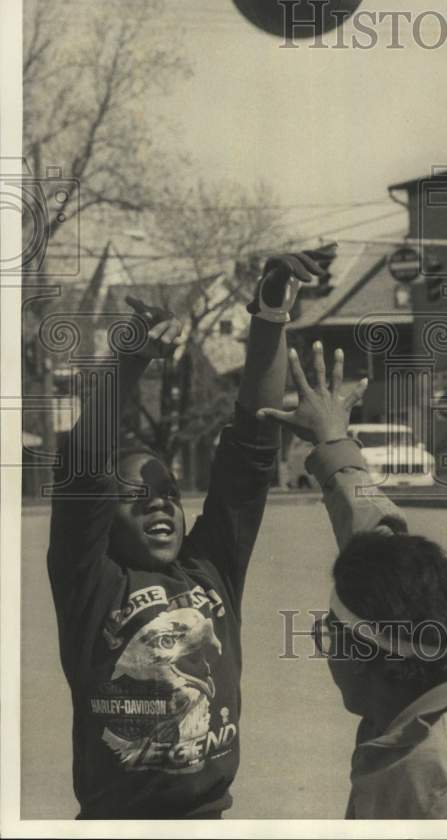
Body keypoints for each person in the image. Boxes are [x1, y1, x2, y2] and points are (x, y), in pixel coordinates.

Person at [47, 248, 329, 820]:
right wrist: (130, 363)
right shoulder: (91, 583)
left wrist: (270, 316)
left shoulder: (210, 569)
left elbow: (250, 450)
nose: (161, 503)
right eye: (137, 494)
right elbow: (81, 461)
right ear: (104, 514)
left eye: (172, 494)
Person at [258, 340, 447, 820]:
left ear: (366, 656)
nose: (322, 649)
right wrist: (332, 440)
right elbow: (374, 533)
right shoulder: (420, 685)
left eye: (327, 634)